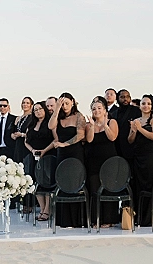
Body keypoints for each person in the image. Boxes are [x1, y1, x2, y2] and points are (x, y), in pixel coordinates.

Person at [48, 93, 86, 228]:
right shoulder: (58, 116)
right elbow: (51, 126)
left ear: (73, 102)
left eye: (66, 103)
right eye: (62, 104)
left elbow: (81, 135)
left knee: (74, 184)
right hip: (61, 154)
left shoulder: (79, 116)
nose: (65, 106)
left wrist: (65, 144)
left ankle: (76, 220)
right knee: (62, 183)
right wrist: (56, 109)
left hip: (75, 153)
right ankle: (63, 220)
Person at [84, 96, 119, 227]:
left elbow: (113, 137)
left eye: (99, 108)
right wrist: (93, 126)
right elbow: (89, 140)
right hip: (93, 161)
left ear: (104, 110)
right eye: (94, 109)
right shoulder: (89, 124)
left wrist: (105, 125)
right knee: (95, 189)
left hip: (109, 160)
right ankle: (96, 218)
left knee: (108, 189)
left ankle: (108, 219)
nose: (96, 111)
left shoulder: (112, 122)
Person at [24, 101, 55, 221]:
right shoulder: (31, 124)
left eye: (40, 109)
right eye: (35, 110)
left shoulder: (49, 123)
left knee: (47, 183)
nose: (38, 111)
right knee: (36, 183)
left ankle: (47, 210)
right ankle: (42, 209)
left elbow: (55, 139)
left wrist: (44, 150)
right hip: (34, 156)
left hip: (48, 156)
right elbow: (26, 141)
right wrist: (32, 150)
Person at [128, 95, 153, 226]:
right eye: (143, 103)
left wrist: (140, 129)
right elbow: (130, 140)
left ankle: (149, 219)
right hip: (138, 157)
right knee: (138, 186)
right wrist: (133, 130)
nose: (146, 106)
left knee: (149, 185)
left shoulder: (152, 120)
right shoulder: (136, 120)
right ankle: (139, 218)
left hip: (150, 157)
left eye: (149, 103)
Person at [112, 89, 141, 163]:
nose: (125, 99)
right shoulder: (113, 113)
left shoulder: (136, 111)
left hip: (133, 146)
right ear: (117, 99)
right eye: (122, 97)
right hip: (118, 147)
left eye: (127, 97)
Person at [11, 96, 34, 164]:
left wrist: (21, 135)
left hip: (26, 145)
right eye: (23, 103)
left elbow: (32, 133)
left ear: (31, 105)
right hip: (17, 146)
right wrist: (13, 135)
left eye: (27, 103)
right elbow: (13, 130)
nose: (25, 105)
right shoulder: (18, 118)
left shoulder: (32, 118)